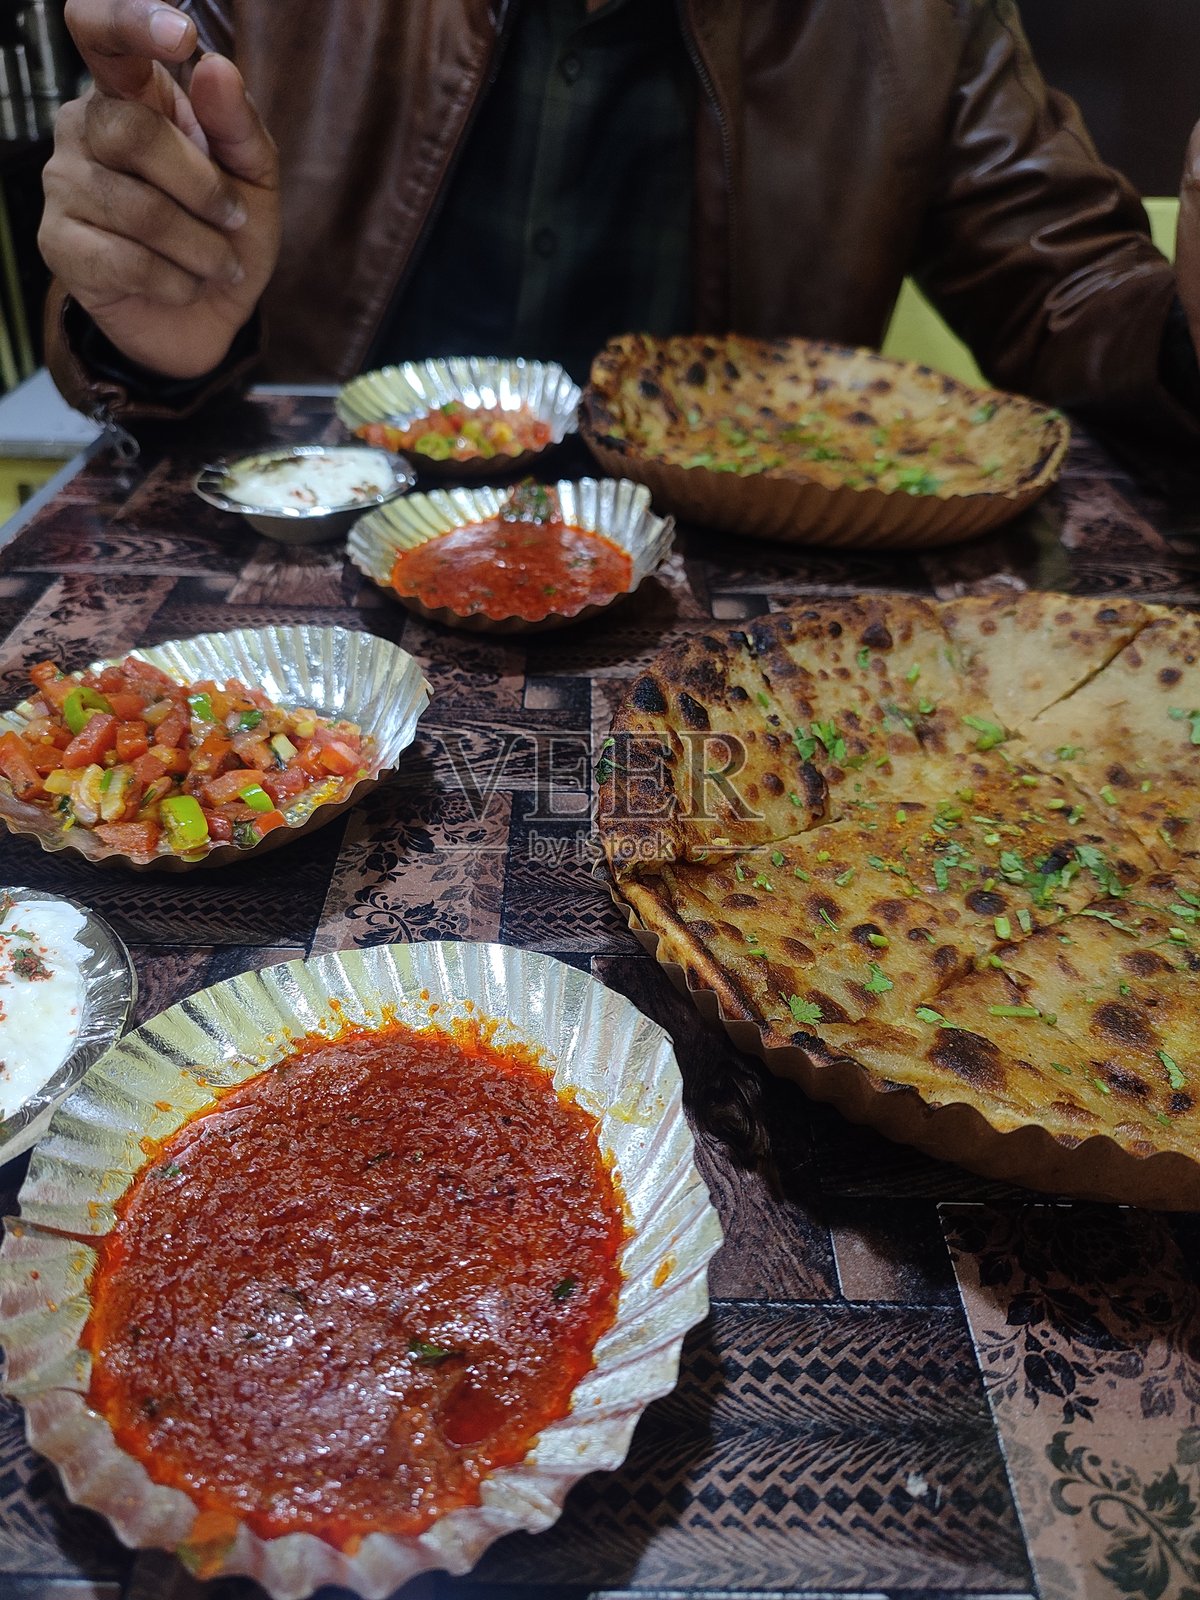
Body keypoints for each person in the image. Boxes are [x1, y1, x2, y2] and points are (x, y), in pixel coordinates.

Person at [38, 0, 1200, 441]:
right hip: (316, 600)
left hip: (741, 664)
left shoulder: (917, 20)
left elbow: (1074, 295)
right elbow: (153, 248)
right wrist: (155, 325)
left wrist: (1187, 329)